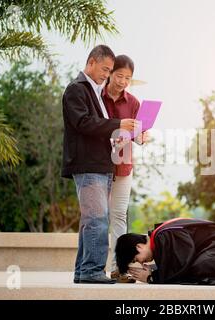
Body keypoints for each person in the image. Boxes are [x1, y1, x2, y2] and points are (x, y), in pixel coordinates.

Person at [61, 45, 139, 284]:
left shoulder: (92, 91)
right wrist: (117, 124)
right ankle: (93, 271)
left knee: (90, 219)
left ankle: (83, 271)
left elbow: (95, 126)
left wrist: (116, 134)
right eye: (105, 69)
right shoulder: (77, 89)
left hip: (99, 164)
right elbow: (83, 123)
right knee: (97, 219)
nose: (107, 74)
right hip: (88, 165)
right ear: (91, 62)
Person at [102, 54, 149, 283]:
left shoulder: (133, 103)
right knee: (98, 217)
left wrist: (142, 136)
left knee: (119, 216)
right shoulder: (97, 97)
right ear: (110, 73)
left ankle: (118, 268)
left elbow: (137, 135)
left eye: (127, 78)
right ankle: (92, 267)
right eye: (119, 75)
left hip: (123, 167)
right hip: (98, 166)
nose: (122, 81)